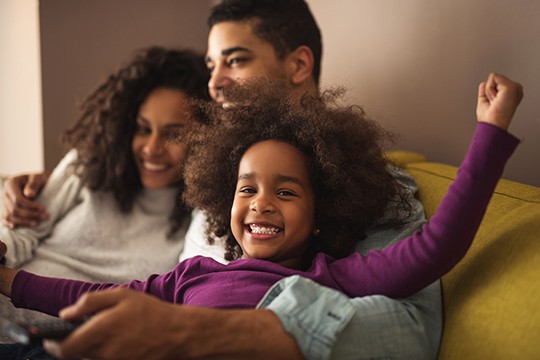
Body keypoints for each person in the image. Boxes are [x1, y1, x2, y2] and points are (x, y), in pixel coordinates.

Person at [0, 1, 466, 359]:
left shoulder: (364, 185)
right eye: (211, 66)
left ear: (299, 65)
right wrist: (45, 186)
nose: (215, 83)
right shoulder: (217, 175)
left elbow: (407, 333)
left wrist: (193, 331)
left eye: (236, 60)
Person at [0, 46, 209, 350]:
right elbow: (22, 233)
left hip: (54, 345)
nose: (152, 147)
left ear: (205, 139)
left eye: (173, 134)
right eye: (142, 129)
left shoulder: (200, 221)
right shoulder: (87, 167)